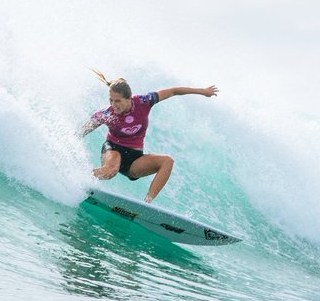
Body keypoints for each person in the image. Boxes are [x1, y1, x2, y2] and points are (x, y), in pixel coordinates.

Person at [78, 69, 219, 203]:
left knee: (167, 161)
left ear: (129, 98)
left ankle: (147, 202)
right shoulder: (107, 114)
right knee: (110, 170)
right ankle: (78, 179)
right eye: (111, 100)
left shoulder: (143, 102)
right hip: (113, 148)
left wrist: (202, 91)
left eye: (117, 101)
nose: (113, 105)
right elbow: (85, 129)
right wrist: (73, 137)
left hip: (134, 157)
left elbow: (173, 91)